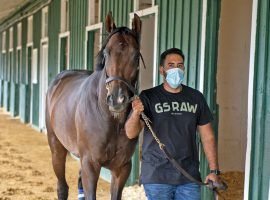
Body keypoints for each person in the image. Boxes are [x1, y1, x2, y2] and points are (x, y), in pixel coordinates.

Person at [125, 48, 220, 200]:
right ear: (162, 70)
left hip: (189, 176)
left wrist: (214, 171)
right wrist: (136, 113)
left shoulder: (196, 97)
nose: (176, 69)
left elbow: (207, 136)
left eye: (180, 65)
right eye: (171, 65)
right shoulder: (148, 97)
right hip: (157, 176)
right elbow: (130, 133)